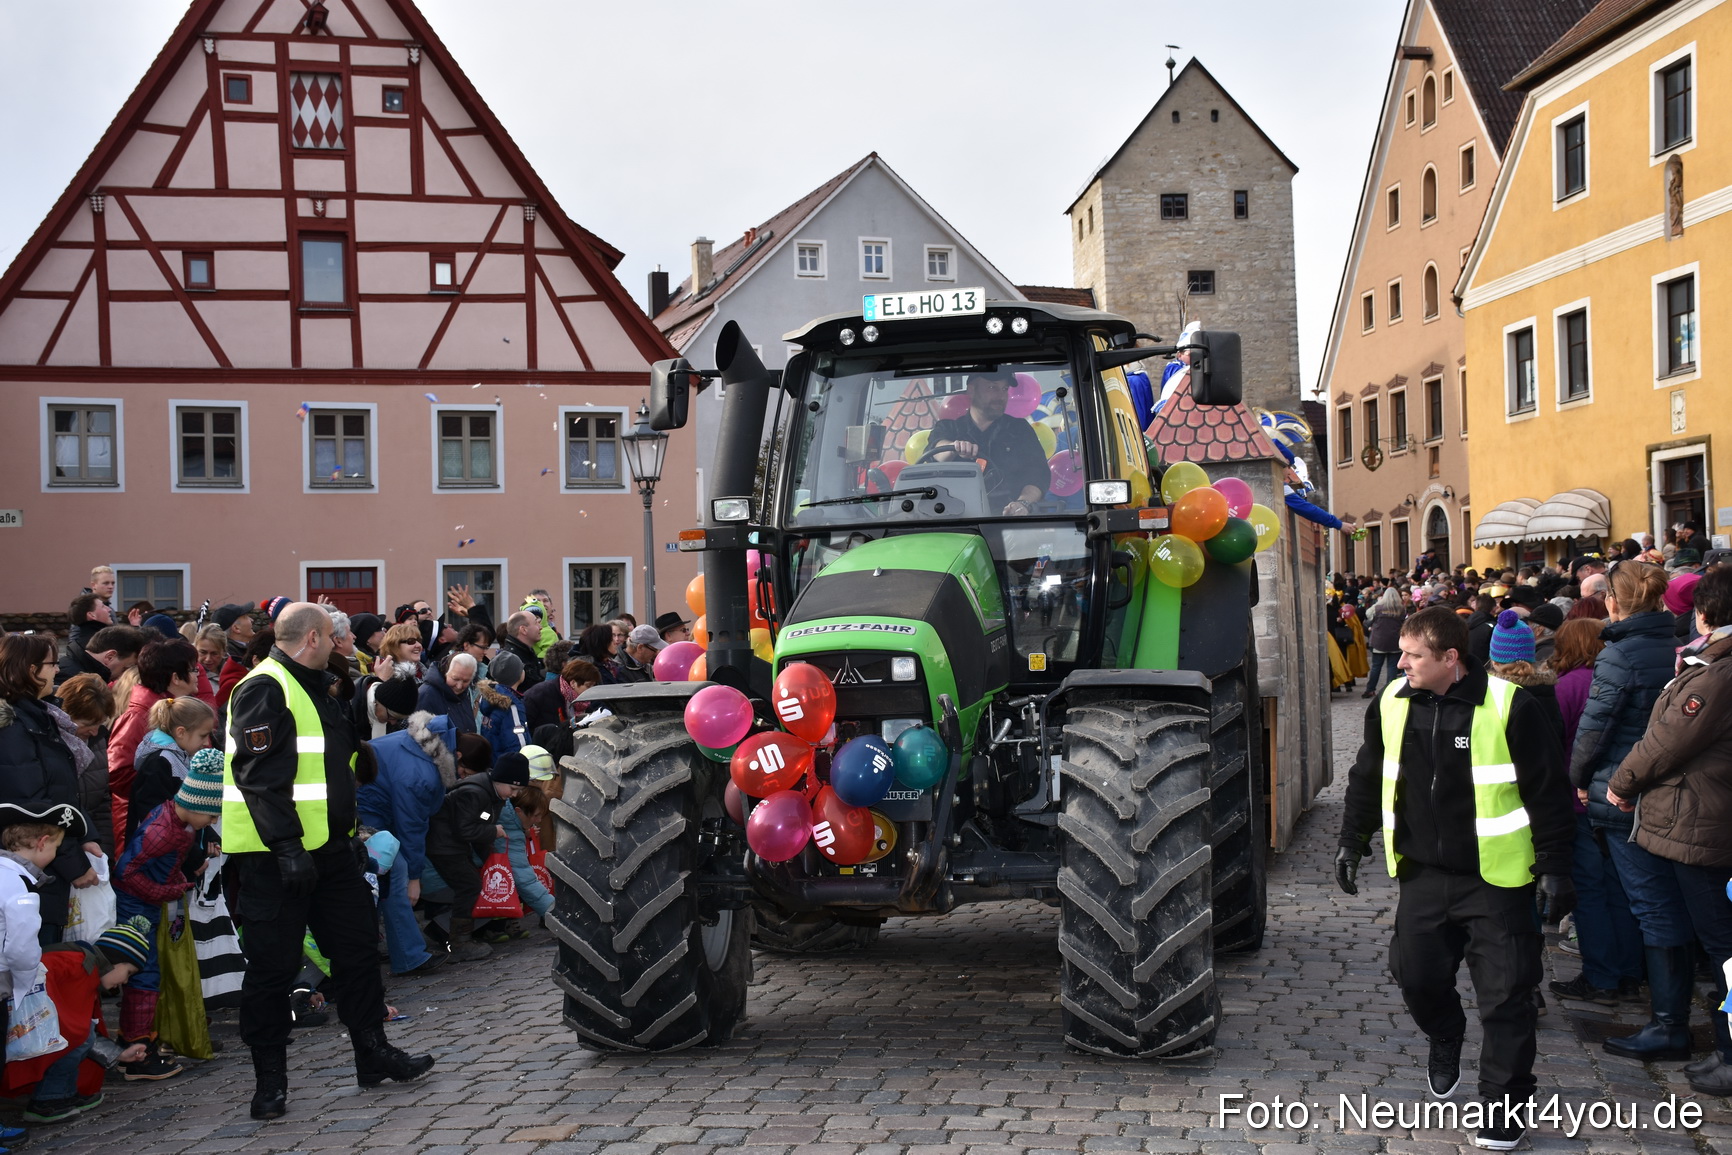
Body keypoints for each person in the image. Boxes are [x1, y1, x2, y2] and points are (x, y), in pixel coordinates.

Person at [1335, 607, 1572, 1151]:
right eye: (1401, 653)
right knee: (1416, 978)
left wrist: (1555, 867)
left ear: (1450, 658)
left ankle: (1503, 1108)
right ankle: (1445, 1033)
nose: (1400, 663)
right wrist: (1352, 839)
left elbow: (1549, 793)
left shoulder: (1512, 706)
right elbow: (1368, 775)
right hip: (1422, 875)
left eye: (1412, 655)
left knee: (1508, 997)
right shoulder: (1391, 702)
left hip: (1497, 881)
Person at [223, 602, 433, 1119]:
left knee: (357, 954)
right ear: (314, 638)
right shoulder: (264, 687)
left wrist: (348, 829)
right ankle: (269, 1080)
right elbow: (257, 777)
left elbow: (335, 764)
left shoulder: (318, 685)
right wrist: (288, 847)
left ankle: (372, 1053)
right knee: (272, 970)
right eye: (333, 638)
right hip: (275, 858)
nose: (342, 645)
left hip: (332, 849)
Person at [1606, 566, 1732, 1092]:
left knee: (1723, 943)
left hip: (1703, 820)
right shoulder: (1710, 663)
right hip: (1703, 812)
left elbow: (1668, 739)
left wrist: (1622, 782)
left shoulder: (1718, 673)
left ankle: (1729, 1053)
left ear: (1705, 613)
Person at [1570, 561, 1692, 1062]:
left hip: (1625, 793)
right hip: (1676, 792)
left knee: (1652, 906)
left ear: (1613, 602)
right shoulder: (1677, 645)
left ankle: (1668, 1023)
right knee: (1670, 904)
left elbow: (1595, 728)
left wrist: (1579, 779)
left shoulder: (1619, 654)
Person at [1544, 620, 1642, 1006]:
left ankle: (1601, 977)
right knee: (1620, 889)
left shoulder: (1567, 686)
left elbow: (1555, 746)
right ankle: (1630, 975)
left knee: (1589, 891)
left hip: (1578, 799)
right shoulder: (1615, 679)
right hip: (1617, 796)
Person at [112, 757, 223, 1080]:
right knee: (145, 975)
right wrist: (169, 890)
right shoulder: (162, 832)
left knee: (150, 973)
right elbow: (126, 872)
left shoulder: (177, 822)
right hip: (137, 909)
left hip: (150, 903)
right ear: (195, 804)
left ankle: (137, 1042)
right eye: (211, 814)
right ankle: (136, 1050)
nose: (213, 820)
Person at [0, 636, 103, 946]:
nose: (58, 670)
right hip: (33, 870)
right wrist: (74, 864)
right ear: (30, 669)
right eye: (52, 663)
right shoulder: (14, 727)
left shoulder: (39, 717)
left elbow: (62, 791)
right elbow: (32, 807)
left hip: (48, 863)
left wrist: (87, 836)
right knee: (34, 960)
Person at [357, 712, 474, 971]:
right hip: (368, 808)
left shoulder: (423, 744)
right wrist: (414, 877)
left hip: (372, 805)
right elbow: (412, 826)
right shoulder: (421, 774)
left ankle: (381, 949)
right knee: (395, 872)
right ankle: (408, 956)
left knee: (383, 877)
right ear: (457, 756)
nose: (463, 778)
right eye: (465, 772)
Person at [12, 919, 152, 1124]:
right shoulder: (78, 966)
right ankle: (48, 1100)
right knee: (78, 1035)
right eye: (128, 972)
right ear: (115, 960)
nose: (125, 981)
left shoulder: (83, 964)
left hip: (26, 1025)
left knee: (81, 1033)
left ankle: (64, 1093)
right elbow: (73, 1028)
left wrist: (119, 1054)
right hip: (22, 1028)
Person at [423, 749, 528, 958]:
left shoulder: (492, 794)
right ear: (500, 780)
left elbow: (479, 822)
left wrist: (490, 858)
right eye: (513, 788)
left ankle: (449, 933)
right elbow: (465, 829)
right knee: (469, 886)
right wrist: (493, 832)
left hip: (451, 846)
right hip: (444, 847)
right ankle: (459, 943)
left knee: (471, 884)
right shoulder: (475, 793)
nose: (514, 795)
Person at [107, 638, 199, 847]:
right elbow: (118, 774)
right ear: (176, 678)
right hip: (143, 826)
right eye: (193, 670)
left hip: (168, 821)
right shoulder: (139, 716)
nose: (197, 675)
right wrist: (163, 778)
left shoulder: (172, 710)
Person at [924, 370, 1049, 515]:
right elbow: (935, 452)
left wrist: (1023, 503)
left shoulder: (1020, 430)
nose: (1001, 396)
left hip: (1009, 519)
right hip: (956, 519)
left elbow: (1038, 474)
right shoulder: (948, 428)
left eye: (1004, 389)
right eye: (992, 387)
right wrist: (953, 448)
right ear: (972, 390)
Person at [128, 696, 216, 841]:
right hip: (158, 850)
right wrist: (194, 852)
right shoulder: (160, 762)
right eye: (203, 736)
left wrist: (209, 839)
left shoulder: (182, 757)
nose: (207, 742)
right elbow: (156, 820)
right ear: (181, 732)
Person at [55, 674, 117, 860]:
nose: (95, 731)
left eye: (100, 723)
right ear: (66, 716)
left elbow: (102, 804)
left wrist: (105, 854)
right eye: (88, 724)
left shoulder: (97, 740)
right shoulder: (48, 744)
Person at [476, 652, 529, 758]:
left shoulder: (490, 697)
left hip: (494, 759)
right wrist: (524, 760)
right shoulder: (511, 705)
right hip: (511, 762)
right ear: (517, 674)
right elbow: (518, 741)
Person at [524, 658, 598, 733]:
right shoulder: (540, 694)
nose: (592, 690)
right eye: (588, 686)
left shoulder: (583, 702)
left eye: (593, 686)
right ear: (573, 683)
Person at [417, 652, 478, 732]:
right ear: (445, 672)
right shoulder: (426, 695)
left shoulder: (463, 693)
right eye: (455, 679)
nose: (459, 686)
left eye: (466, 681)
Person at [1363, 587, 1405, 699]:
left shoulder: (1378, 608)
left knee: (1376, 666)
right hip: (1394, 641)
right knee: (1392, 667)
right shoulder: (1401, 609)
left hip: (1379, 641)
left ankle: (1370, 689)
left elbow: (1367, 614)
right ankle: (1389, 690)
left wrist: (1378, 602)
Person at [213, 603, 257, 708]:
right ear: (236, 628)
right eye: (246, 617)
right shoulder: (230, 655)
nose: (251, 620)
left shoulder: (246, 648)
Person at [497, 611, 544, 686]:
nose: (540, 627)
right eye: (536, 623)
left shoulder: (526, 652)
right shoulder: (512, 660)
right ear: (523, 630)